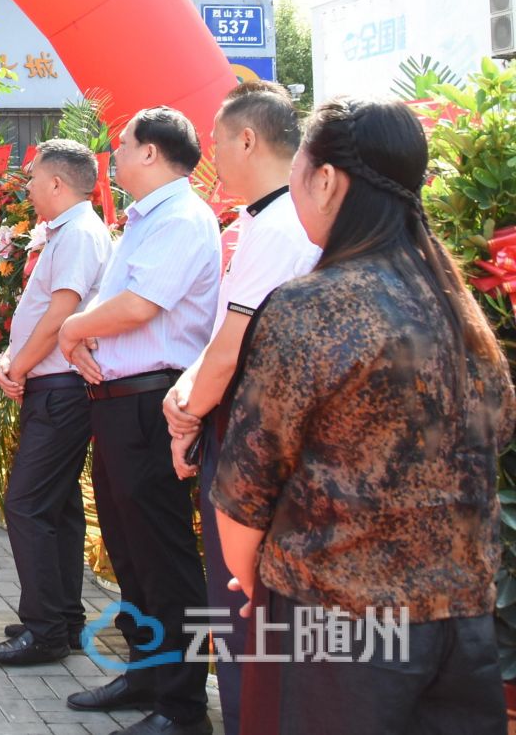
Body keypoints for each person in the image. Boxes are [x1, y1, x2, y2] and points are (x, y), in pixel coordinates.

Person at [213, 98, 514, 734]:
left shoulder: (311, 307)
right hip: (460, 628)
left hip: (339, 636)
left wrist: (261, 587)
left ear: (326, 180)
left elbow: (244, 492)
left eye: (299, 167)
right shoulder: (458, 308)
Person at [160, 81, 319, 735]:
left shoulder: (280, 227)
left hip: (253, 439)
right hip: (247, 429)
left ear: (248, 140)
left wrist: (186, 413)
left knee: (244, 609)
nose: (213, 156)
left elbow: (231, 350)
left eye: (218, 141)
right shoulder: (265, 221)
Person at [56, 106, 220, 735]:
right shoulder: (148, 218)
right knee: (130, 549)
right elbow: (116, 302)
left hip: (153, 403)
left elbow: (139, 305)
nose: (115, 152)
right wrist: (82, 337)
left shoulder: (182, 217)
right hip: (120, 400)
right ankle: (147, 676)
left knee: (163, 556)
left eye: (122, 143)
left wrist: (72, 330)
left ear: (151, 152)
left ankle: (182, 706)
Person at [0, 139, 112, 668]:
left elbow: (62, 314)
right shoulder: (69, 230)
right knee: (56, 507)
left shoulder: (79, 232)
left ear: (57, 183)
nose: (29, 190)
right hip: (53, 384)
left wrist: (17, 365)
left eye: (34, 180)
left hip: (61, 388)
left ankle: (45, 631)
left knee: (27, 504)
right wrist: (14, 360)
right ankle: (61, 618)